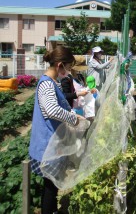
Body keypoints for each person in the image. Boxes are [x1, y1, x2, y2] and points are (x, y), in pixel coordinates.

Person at [29, 46, 86, 214]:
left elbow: (56, 108)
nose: (69, 72)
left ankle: (52, 210)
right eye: (68, 68)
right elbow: (52, 110)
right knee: (50, 187)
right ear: (60, 65)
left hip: (51, 144)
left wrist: (71, 114)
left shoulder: (52, 82)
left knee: (51, 186)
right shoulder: (46, 84)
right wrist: (74, 119)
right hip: (46, 146)